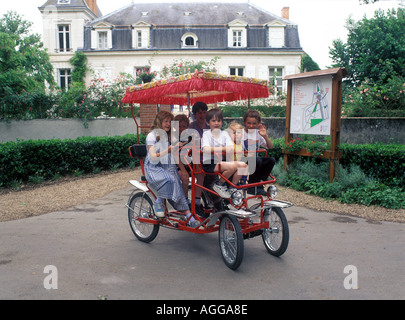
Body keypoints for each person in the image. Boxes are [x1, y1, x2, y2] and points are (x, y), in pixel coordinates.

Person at [144, 110, 198, 227]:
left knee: (177, 185)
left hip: (168, 164)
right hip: (154, 167)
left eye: (170, 122)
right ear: (159, 122)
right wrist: (167, 150)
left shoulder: (170, 136)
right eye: (166, 121)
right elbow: (153, 157)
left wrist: (183, 170)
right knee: (170, 179)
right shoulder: (152, 136)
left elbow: (174, 155)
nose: (168, 124)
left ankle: (189, 216)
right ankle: (158, 202)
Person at [202, 108, 248, 198]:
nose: (216, 123)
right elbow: (206, 149)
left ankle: (232, 186)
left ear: (222, 122)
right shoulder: (206, 134)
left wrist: (218, 149)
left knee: (244, 165)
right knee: (231, 166)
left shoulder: (224, 134)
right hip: (210, 162)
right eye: (213, 121)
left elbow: (231, 149)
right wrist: (223, 149)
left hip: (221, 160)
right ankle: (219, 184)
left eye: (219, 121)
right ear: (208, 123)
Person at [242, 110, 276, 196]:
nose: (251, 126)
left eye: (254, 124)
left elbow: (270, 146)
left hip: (254, 160)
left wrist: (265, 136)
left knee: (271, 160)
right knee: (257, 161)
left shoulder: (258, 134)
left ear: (258, 124)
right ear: (244, 122)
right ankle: (252, 187)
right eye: (248, 123)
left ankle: (259, 183)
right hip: (242, 160)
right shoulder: (240, 133)